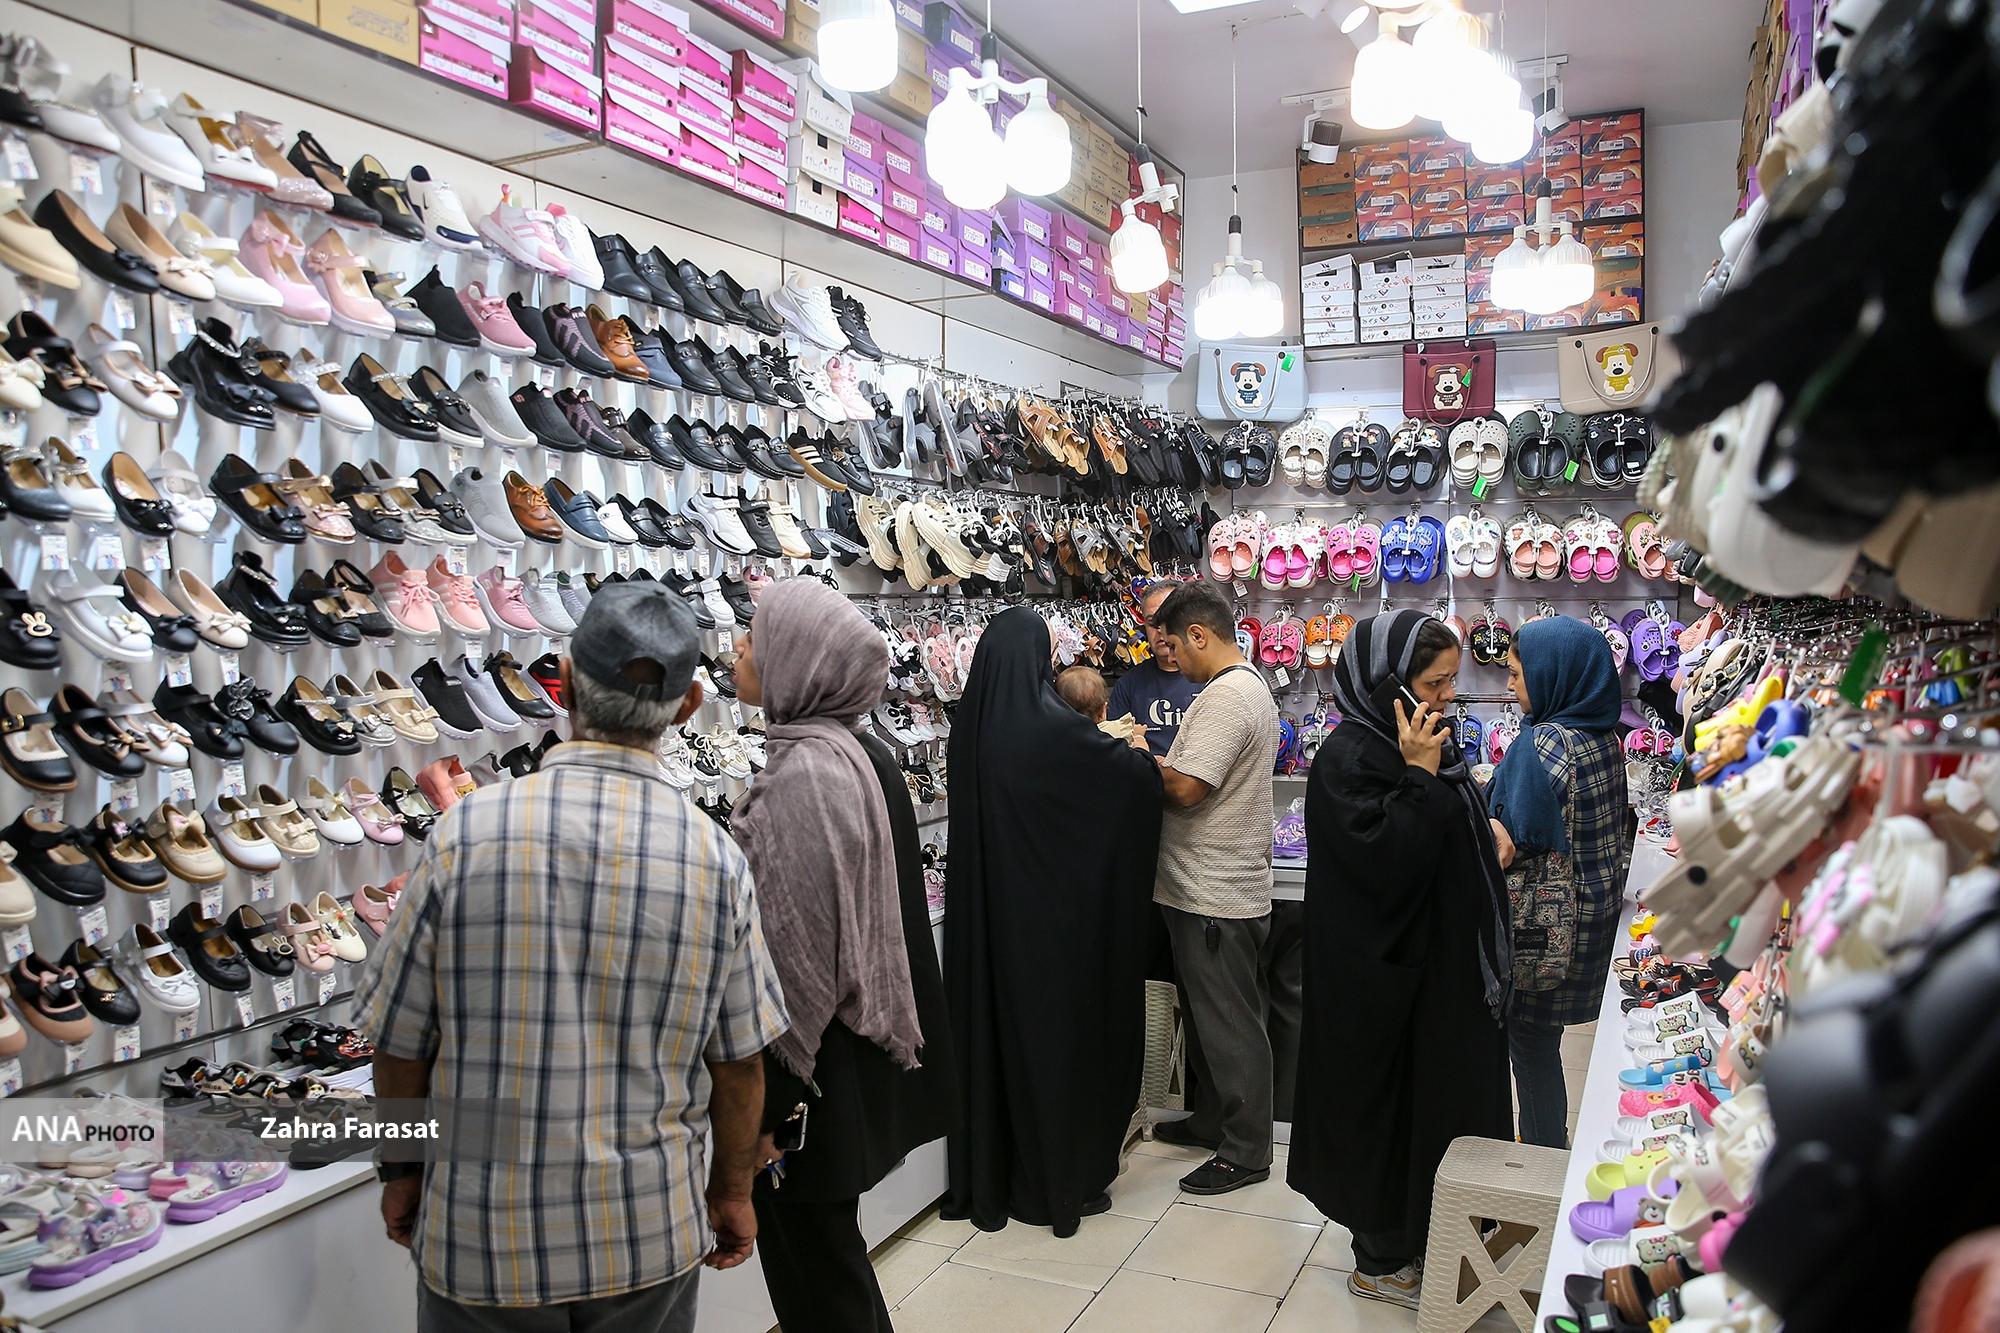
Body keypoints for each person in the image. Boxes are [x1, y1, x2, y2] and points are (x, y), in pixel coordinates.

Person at [357, 581, 788, 1333]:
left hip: (483, 1230)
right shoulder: (714, 858)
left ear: (562, 679)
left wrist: (402, 1170)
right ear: (689, 705)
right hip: (646, 1229)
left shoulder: (465, 834)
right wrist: (731, 1190)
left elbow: (400, 1041)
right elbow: (740, 1062)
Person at [728, 578, 955, 1331]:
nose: (739, 647)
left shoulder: (806, 775)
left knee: (817, 1282)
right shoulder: (856, 753)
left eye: (757, 637)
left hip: (807, 1076)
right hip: (843, 1065)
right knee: (829, 1270)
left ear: (798, 660)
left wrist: (767, 1102)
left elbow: (797, 960)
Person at [1288, 610, 1513, 1311]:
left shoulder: (1417, 738)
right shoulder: (1352, 758)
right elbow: (1384, 866)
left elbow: (1443, 827)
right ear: (1386, 681)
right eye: (1433, 682)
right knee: (1388, 1116)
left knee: (1434, 1110)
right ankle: (1381, 1258)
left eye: (1451, 680)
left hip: (1435, 974)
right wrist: (1418, 778)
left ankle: (1429, 1234)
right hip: (1384, 983)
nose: (1447, 695)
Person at [943, 608, 1163, 1237]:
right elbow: (1128, 781)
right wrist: (1136, 754)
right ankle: (1059, 1179)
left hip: (990, 923)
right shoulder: (1051, 727)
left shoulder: (971, 729)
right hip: (1054, 930)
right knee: (1057, 1047)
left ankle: (999, 1173)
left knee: (999, 1042)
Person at [1146, 582, 1287, 1197]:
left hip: (1215, 893)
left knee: (1231, 1024)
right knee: (1211, 1020)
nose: (1172, 658)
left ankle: (1246, 1150)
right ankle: (1212, 1120)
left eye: (1174, 646)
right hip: (1205, 887)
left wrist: (1135, 758)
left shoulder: (1229, 695)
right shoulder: (1239, 687)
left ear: (1198, 635)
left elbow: (1186, 788)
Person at [1491, 616, 1628, 1149]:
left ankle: (1545, 1150)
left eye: (1517, 673)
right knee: (1541, 1039)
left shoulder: (1547, 742)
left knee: (1530, 1043)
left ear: (1552, 673)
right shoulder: (1603, 735)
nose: (1509, 685)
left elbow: (1512, 836)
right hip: (1589, 912)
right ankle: (1546, 1140)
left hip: (1545, 926)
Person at [1107, 581, 1202, 758]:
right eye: (1152, 622)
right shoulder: (1128, 685)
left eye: (1168, 619)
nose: (1160, 630)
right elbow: (1115, 751)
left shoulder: (1211, 678)